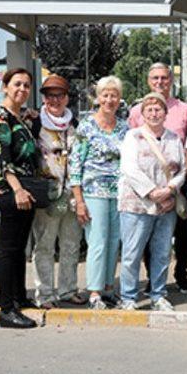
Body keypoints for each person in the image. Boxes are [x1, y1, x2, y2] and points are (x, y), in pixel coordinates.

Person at [128, 63, 187, 293]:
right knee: (149, 233)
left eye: (164, 78)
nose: (160, 82)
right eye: (155, 78)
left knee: (182, 231)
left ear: (171, 80)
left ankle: (181, 274)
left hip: (177, 181)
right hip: (146, 185)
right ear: (149, 81)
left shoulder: (185, 109)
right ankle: (152, 279)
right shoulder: (137, 111)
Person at [117, 93, 185, 312]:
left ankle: (158, 294)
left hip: (167, 204)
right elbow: (129, 168)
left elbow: (181, 168)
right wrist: (152, 191)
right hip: (137, 204)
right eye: (149, 110)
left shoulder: (174, 138)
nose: (154, 113)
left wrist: (170, 189)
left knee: (162, 251)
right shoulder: (132, 136)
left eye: (159, 109)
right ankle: (128, 296)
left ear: (166, 113)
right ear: (142, 114)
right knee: (132, 252)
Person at [0, 68, 41, 329]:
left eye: (27, 85)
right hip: (11, 191)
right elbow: (1, 157)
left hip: (26, 188)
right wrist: (17, 189)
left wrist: (32, 119)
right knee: (9, 250)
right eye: (17, 84)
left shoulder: (19, 117)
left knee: (20, 248)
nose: (22, 89)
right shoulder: (0, 117)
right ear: (5, 86)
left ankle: (19, 298)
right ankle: (6, 309)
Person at [69, 76, 128, 310]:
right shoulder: (86, 127)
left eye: (114, 95)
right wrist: (79, 200)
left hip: (120, 193)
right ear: (98, 98)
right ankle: (94, 292)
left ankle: (108, 288)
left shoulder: (125, 127)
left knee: (114, 242)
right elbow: (75, 164)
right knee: (97, 241)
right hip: (94, 191)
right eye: (105, 95)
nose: (110, 99)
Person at [29, 74, 85, 308]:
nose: (55, 100)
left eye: (59, 95)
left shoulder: (75, 124)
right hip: (47, 194)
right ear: (44, 98)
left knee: (71, 243)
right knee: (44, 245)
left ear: (67, 98)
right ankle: (45, 293)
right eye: (50, 96)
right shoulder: (34, 123)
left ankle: (68, 289)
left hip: (72, 193)